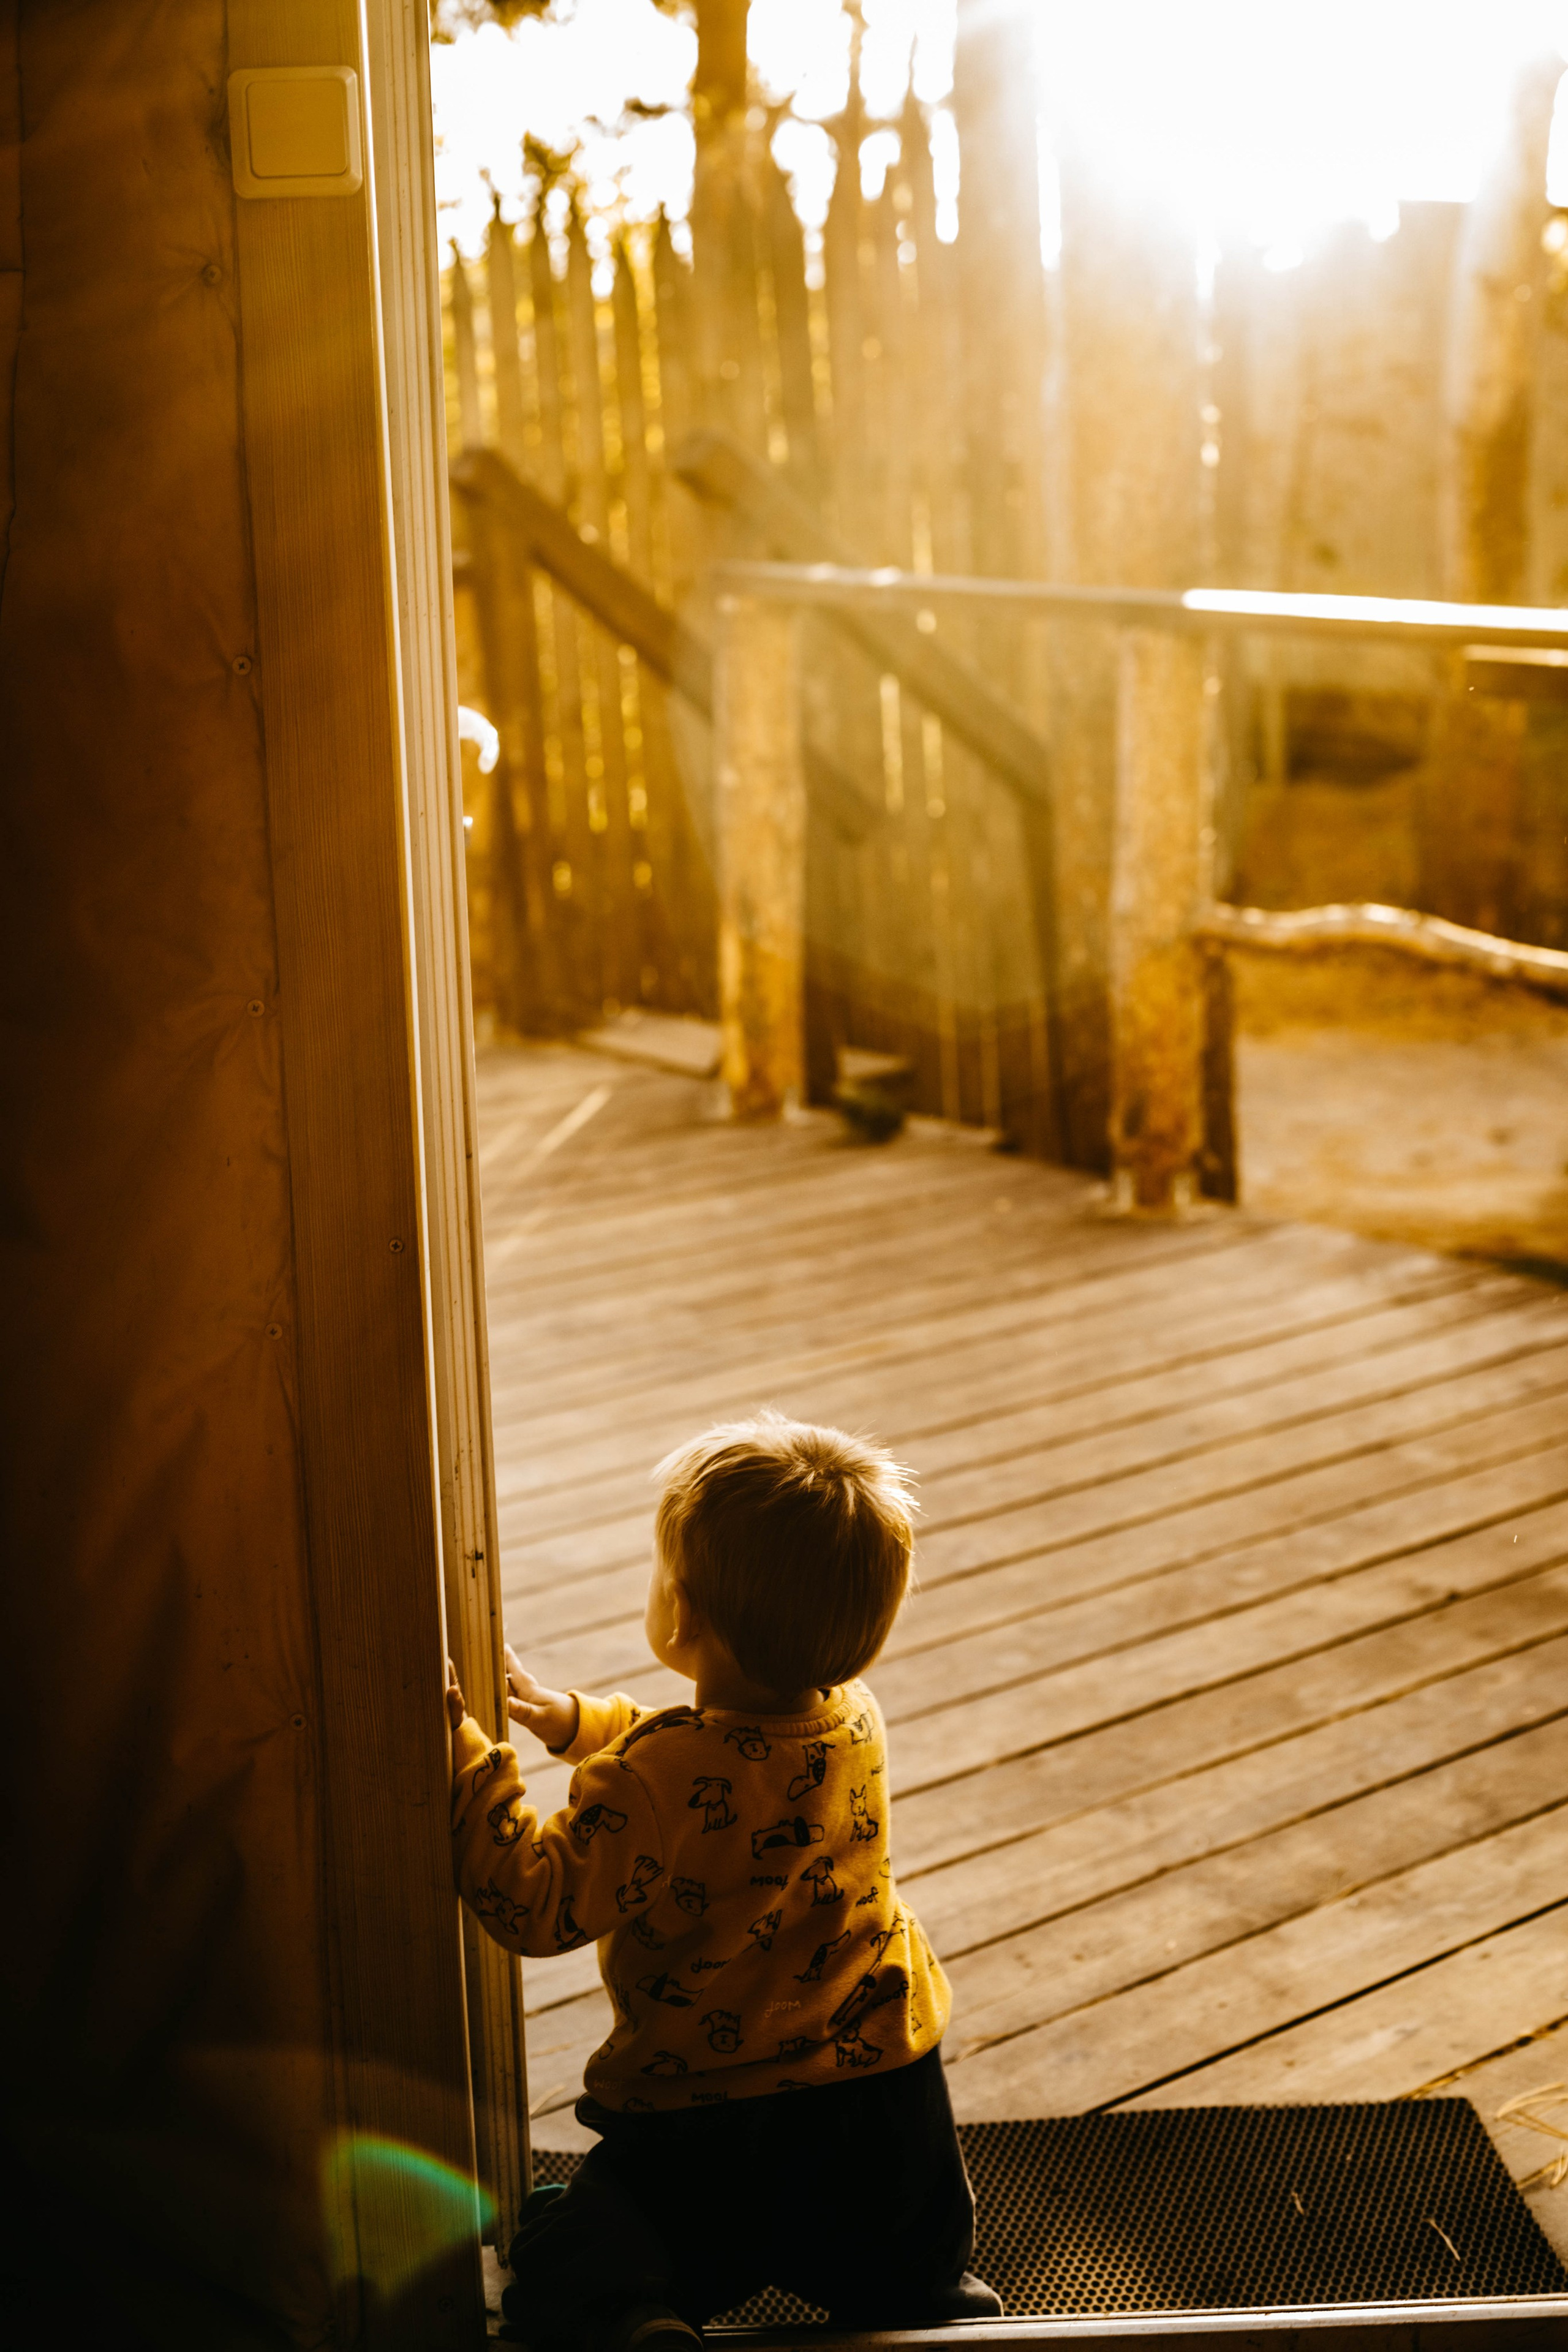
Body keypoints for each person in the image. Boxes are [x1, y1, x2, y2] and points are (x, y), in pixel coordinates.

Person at [447, 1412, 1001, 2351]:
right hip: (879, 2098)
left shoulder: (657, 1778)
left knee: (559, 2256)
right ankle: (931, 2309)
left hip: (705, 2121)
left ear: (684, 1612)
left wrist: (467, 1759)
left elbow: (537, 1902)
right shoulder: (853, 1718)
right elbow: (721, 1767)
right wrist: (576, 1721)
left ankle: (640, 2321)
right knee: (914, 2269)